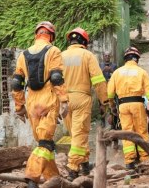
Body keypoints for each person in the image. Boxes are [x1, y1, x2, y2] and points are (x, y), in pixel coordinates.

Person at [11, 21, 69, 188]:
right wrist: (64, 100)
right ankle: (32, 177)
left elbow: (16, 82)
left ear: (37, 34)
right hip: (48, 100)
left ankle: (53, 178)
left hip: (32, 102)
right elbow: (56, 78)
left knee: (45, 143)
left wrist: (19, 106)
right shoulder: (54, 51)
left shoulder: (23, 55)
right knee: (44, 142)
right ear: (50, 36)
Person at [62, 27, 109, 181]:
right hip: (81, 99)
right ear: (84, 42)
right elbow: (99, 80)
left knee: (76, 134)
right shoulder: (87, 55)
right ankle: (72, 169)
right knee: (79, 134)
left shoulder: (60, 56)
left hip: (64, 100)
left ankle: (84, 164)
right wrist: (105, 101)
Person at [107, 47, 149, 170]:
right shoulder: (141, 72)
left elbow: (110, 93)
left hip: (122, 106)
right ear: (137, 59)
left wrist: (112, 106)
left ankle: (129, 162)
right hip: (137, 104)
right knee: (141, 132)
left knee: (127, 132)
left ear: (125, 58)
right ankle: (144, 160)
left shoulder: (117, 72)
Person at [99, 51, 119, 149]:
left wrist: (111, 70)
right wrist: (103, 70)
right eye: (105, 56)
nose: (107, 57)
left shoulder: (114, 65)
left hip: (112, 88)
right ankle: (102, 120)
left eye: (108, 56)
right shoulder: (100, 65)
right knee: (102, 106)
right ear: (103, 56)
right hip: (103, 88)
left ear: (110, 57)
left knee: (112, 107)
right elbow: (97, 76)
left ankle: (113, 123)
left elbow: (117, 76)